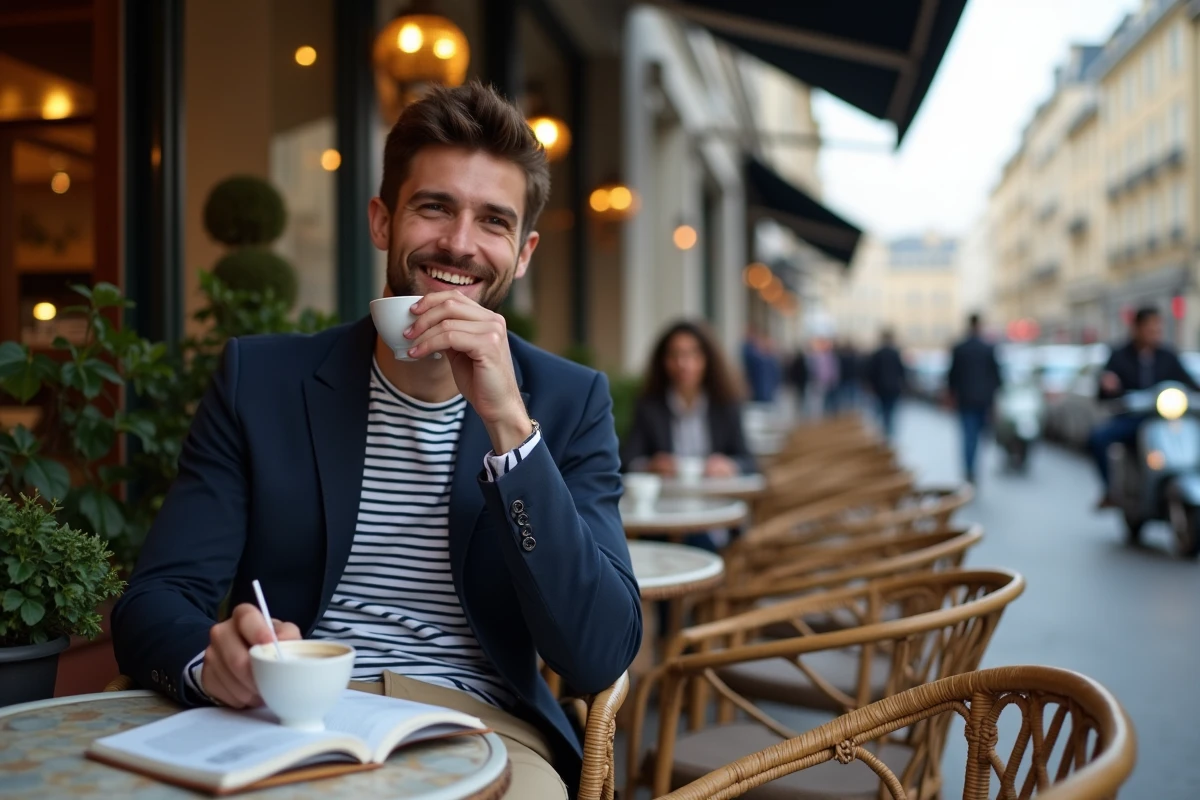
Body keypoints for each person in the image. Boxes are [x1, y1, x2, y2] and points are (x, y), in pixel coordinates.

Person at [111, 83, 641, 800]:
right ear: (382, 220)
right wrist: (216, 666)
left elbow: (599, 651)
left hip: (477, 728)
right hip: (283, 721)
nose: (459, 243)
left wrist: (511, 432)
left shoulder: (566, 404)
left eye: (493, 221)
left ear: (522, 254)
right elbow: (156, 599)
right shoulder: (261, 379)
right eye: (434, 207)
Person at [1088, 306, 1199, 508]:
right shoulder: (1119, 355)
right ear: (1137, 328)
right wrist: (1108, 386)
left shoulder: (1167, 356)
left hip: (1165, 419)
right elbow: (1104, 389)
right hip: (1134, 418)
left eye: (1158, 329)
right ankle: (1110, 490)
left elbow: (1189, 383)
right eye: (1150, 329)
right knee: (1098, 438)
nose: (1155, 334)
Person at [623, 320, 755, 479]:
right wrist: (650, 465)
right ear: (663, 361)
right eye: (674, 355)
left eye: (693, 354)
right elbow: (626, 460)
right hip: (668, 497)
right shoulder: (649, 406)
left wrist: (729, 466)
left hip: (717, 496)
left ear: (708, 359)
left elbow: (749, 462)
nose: (683, 364)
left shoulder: (726, 403)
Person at [946, 313, 1002, 485]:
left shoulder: (959, 347)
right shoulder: (988, 348)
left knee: (967, 436)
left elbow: (952, 375)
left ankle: (969, 469)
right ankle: (973, 468)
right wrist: (994, 399)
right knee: (978, 436)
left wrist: (951, 394)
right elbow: (996, 377)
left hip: (965, 400)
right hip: (983, 401)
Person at [865, 329, 906, 440]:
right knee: (891, 412)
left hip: (881, 387)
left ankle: (883, 433)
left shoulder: (877, 353)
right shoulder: (895, 353)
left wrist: (871, 385)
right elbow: (902, 371)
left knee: (882, 411)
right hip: (893, 388)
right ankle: (888, 434)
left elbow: (871, 371)